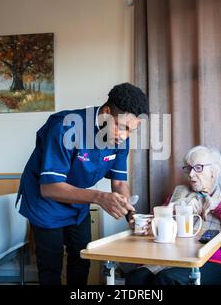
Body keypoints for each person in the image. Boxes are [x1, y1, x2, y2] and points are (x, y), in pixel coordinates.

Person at [17, 83, 149, 285]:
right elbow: (50, 187)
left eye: (131, 131)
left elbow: (120, 182)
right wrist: (99, 197)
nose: (125, 136)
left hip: (77, 198)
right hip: (44, 201)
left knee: (82, 258)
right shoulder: (66, 128)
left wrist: (131, 215)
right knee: (51, 266)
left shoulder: (120, 139)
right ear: (106, 113)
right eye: (122, 127)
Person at [125, 145, 221, 285]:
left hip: (218, 260)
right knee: (136, 277)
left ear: (214, 171)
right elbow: (154, 227)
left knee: (168, 279)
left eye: (198, 168)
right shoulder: (179, 193)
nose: (191, 174)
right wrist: (174, 211)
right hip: (175, 257)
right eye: (188, 168)